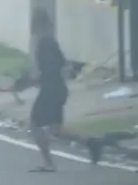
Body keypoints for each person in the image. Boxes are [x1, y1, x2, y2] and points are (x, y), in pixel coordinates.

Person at [27, 9, 104, 171]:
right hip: (57, 89)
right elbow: (61, 63)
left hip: (50, 91)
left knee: (35, 125)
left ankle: (49, 163)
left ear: (38, 23)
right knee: (56, 129)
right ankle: (91, 143)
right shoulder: (49, 41)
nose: (31, 27)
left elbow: (50, 68)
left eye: (33, 23)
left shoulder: (44, 43)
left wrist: (35, 77)